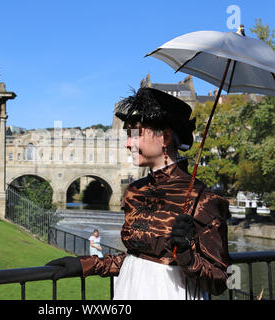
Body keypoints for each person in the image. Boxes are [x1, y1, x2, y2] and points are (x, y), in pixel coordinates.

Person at [46, 87, 231, 300]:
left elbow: (219, 280)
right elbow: (135, 260)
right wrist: (87, 264)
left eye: (136, 134)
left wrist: (186, 254)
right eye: (127, 135)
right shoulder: (135, 192)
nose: (127, 143)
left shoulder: (202, 199)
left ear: (166, 137)